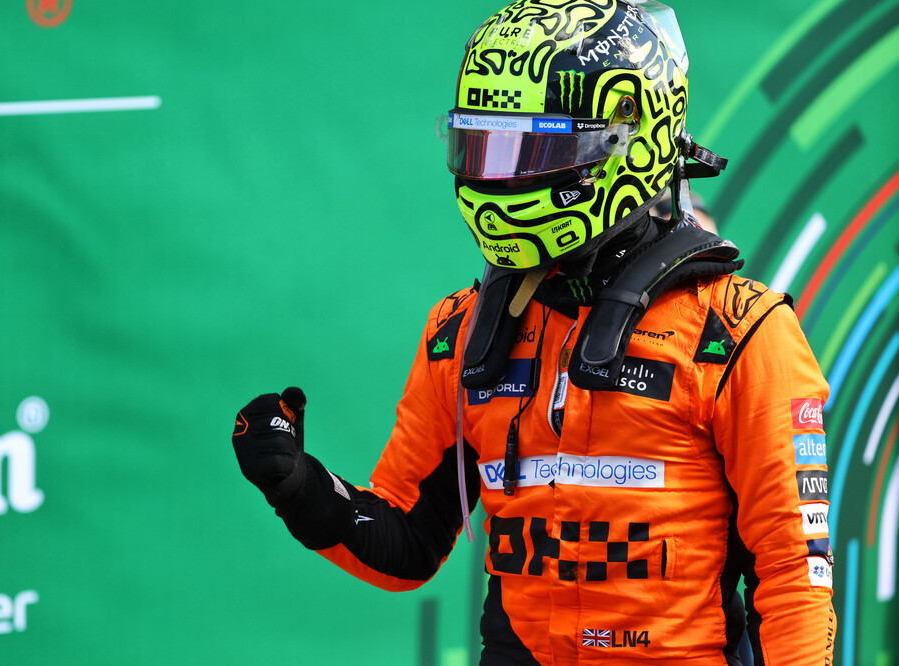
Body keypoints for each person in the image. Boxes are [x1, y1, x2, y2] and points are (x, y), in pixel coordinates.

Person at [231, 1, 837, 664]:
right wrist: (301, 489)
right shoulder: (461, 332)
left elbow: (795, 583)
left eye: (532, 146)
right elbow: (407, 543)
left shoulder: (743, 334)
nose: (498, 175)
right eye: (481, 145)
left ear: (628, 138)